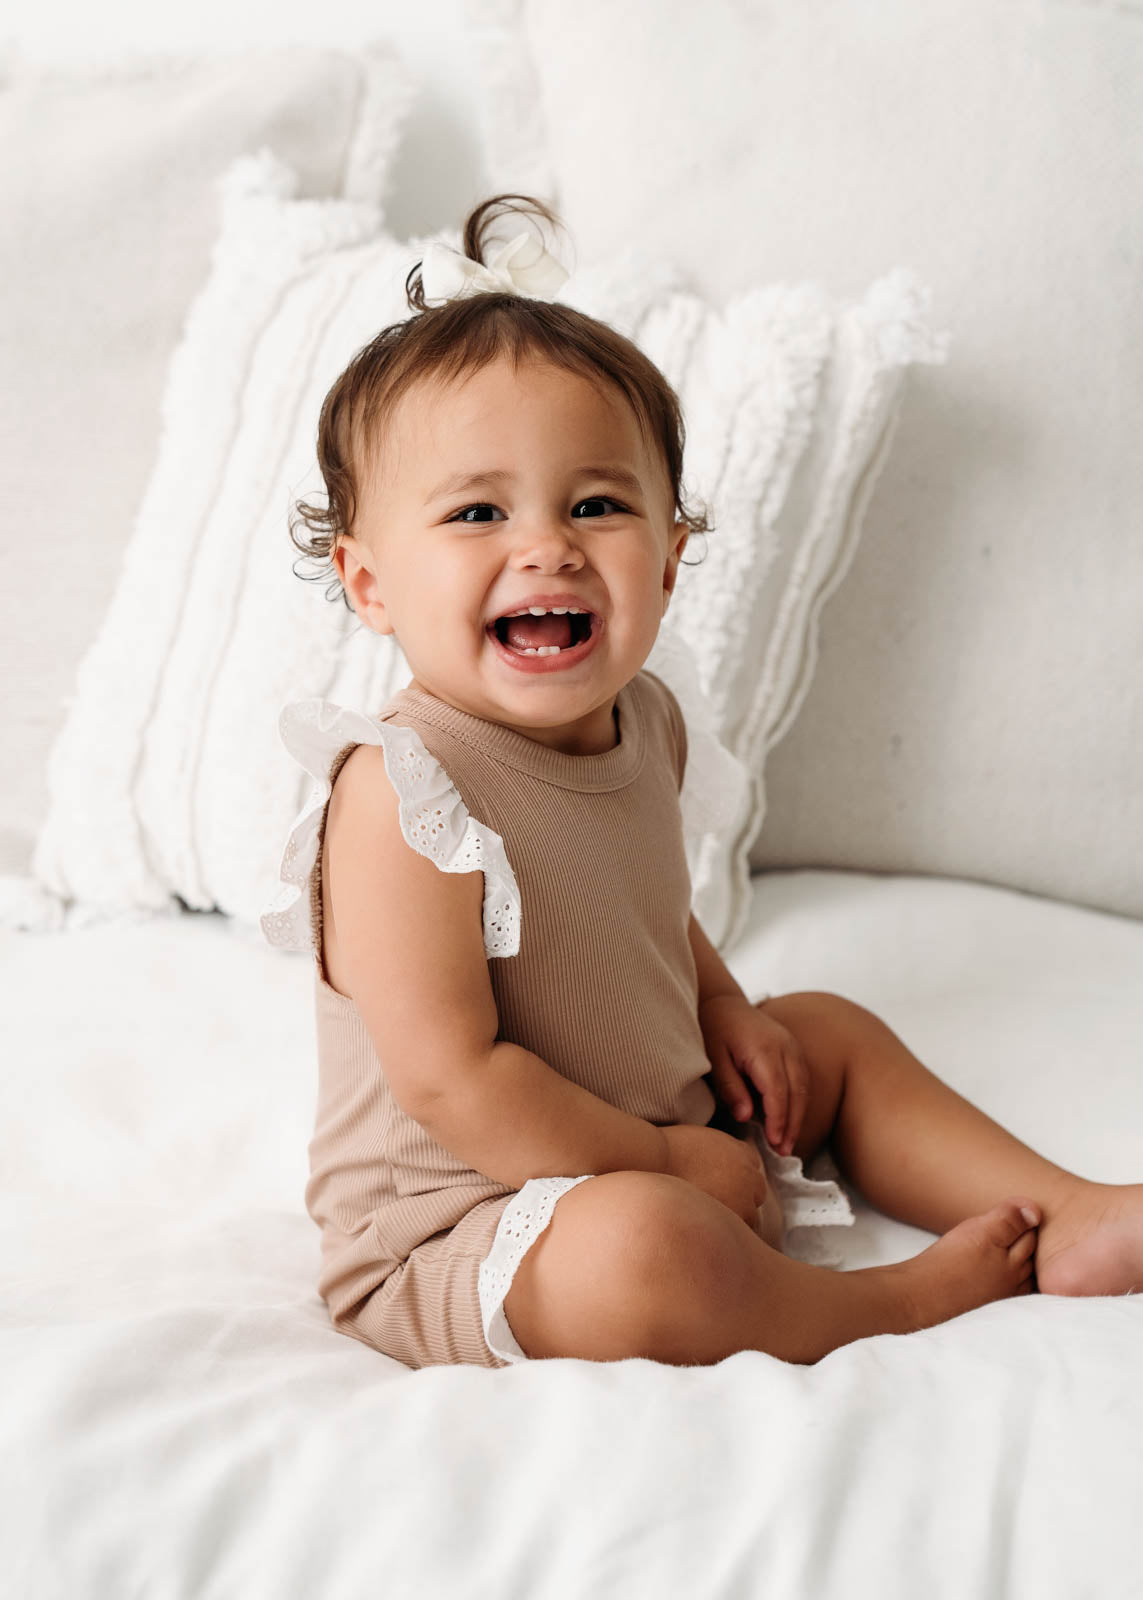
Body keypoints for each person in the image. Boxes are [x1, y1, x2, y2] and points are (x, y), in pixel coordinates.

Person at [261, 193, 1142, 1371]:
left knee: (823, 1032)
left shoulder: (645, 721)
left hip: (653, 1119)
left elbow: (637, 910)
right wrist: (669, 1163)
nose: (547, 545)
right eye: (477, 512)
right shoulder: (402, 794)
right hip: (473, 1221)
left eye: (597, 504)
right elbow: (452, 1082)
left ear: (671, 558)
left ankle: (1065, 1208)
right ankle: (885, 1305)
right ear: (369, 584)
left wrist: (722, 1007)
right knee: (643, 1248)